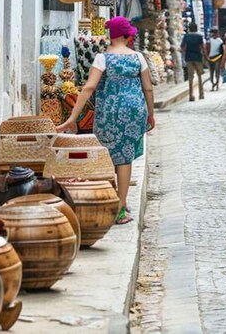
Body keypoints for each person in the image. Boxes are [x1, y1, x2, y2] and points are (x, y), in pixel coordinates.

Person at [57, 16, 155, 225]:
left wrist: (73, 117)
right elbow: (148, 87)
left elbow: (89, 88)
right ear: (127, 36)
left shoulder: (102, 58)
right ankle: (121, 206)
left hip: (109, 110)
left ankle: (109, 200)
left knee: (107, 154)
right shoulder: (138, 58)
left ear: (112, 36)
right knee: (125, 157)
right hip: (134, 110)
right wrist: (150, 113)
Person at [180, 22, 205, 101]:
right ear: (196, 28)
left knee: (190, 78)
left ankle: (191, 96)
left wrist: (183, 53)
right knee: (200, 76)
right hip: (198, 58)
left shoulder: (186, 36)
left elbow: (183, 47)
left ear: (189, 29)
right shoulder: (199, 37)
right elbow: (202, 48)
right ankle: (201, 95)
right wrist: (206, 57)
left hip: (189, 58)